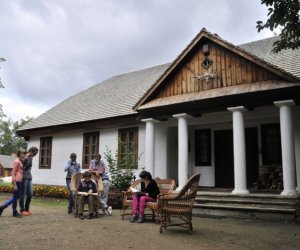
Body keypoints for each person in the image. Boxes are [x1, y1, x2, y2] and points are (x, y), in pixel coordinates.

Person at [0, 148, 26, 218]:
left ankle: (2, 207)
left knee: (16, 197)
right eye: (22, 153)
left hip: (20, 181)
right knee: (15, 197)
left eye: (24, 153)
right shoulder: (17, 161)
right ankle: (14, 212)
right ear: (19, 154)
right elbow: (13, 173)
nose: (24, 155)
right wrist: (14, 184)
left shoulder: (21, 161)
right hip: (16, 181)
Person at [19, 146, 38, 216]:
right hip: (24, 176)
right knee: (23, 193)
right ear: (31, 151)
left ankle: (27, 209)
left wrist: (30, 174)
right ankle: (22, 210)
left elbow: (29, 167)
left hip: (29, 176)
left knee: (30, 193)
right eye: (35, 153)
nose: (36, 154)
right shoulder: (25, 156)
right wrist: (26, 156)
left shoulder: (31, 157)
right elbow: (20, 165)